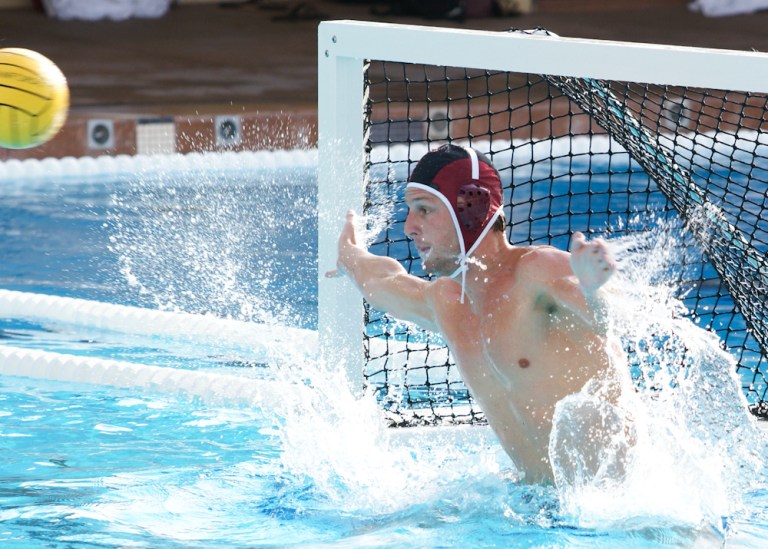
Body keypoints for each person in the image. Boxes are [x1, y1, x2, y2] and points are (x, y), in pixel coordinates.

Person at [326, 144, 629, 485]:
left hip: (615, 506)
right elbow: (383, 283)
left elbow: (610, 322)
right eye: (411, 211)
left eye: (424, 211)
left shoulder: (535, 273)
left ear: (472, 207)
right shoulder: (448, 303)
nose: (409, 226)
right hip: (532, 503)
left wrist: (594, 289)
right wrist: (350, 257)